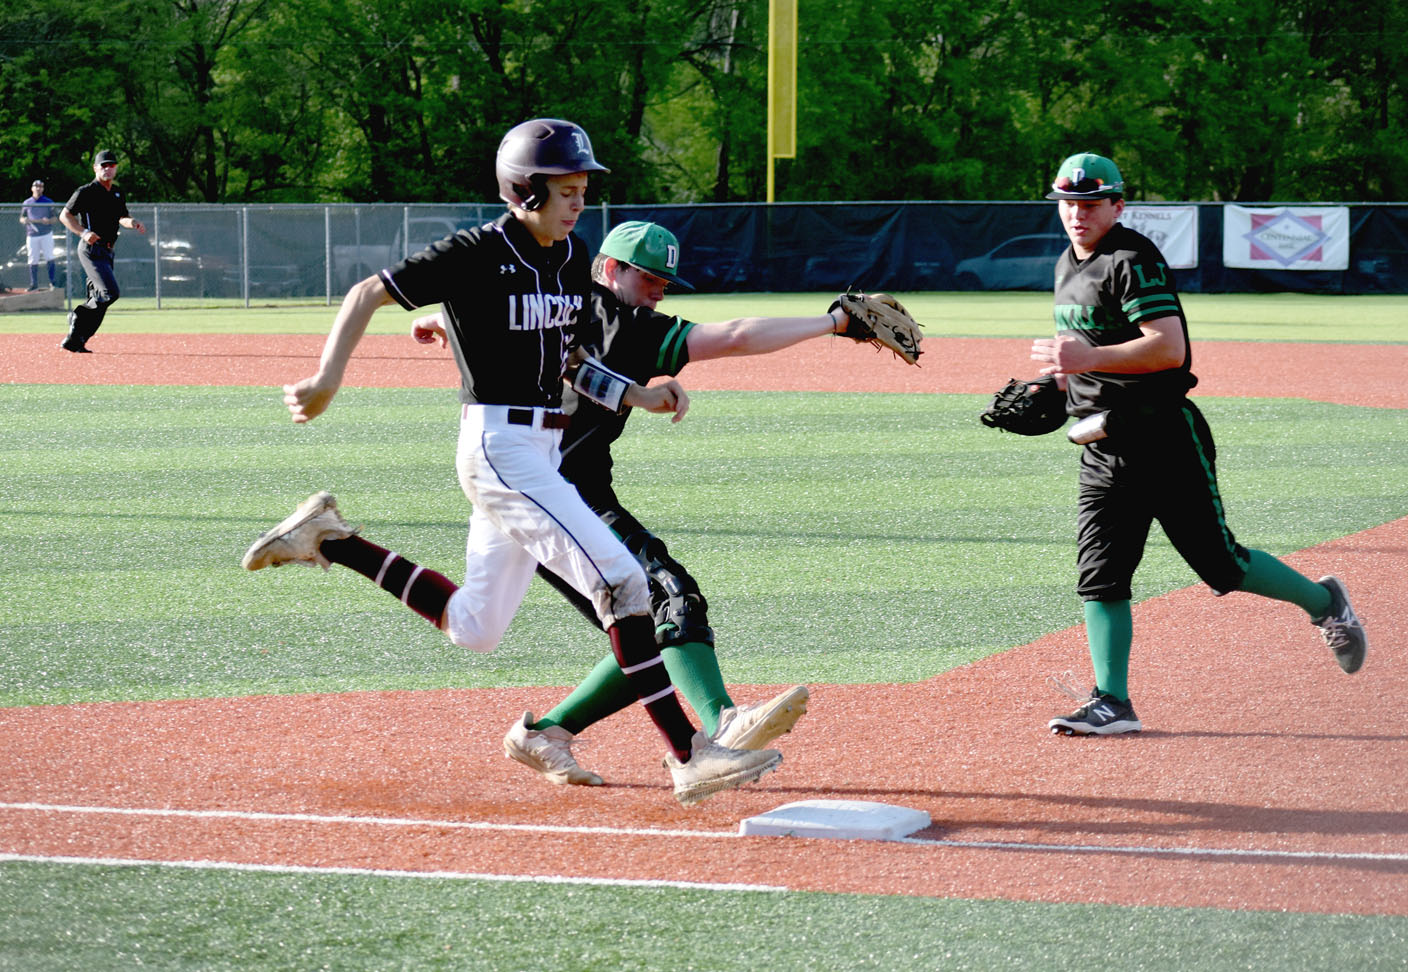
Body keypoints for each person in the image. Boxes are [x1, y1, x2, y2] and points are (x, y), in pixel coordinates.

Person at [240, 119, 782, 806]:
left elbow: (573, 360)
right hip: (498, 448)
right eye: (566, 189)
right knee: (624, 580)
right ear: (525, 191)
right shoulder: (475, 251)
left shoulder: (568, 255)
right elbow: (368, 293)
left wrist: (638, 392)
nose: (579, 202)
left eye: (583, 188)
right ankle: (691, 753)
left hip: (538, 451)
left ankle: (330, 540)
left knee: (475, 625)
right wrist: (325, 381)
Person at [413, 220, 897, 786]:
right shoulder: (629, 326)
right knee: (670, 597)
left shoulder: (559, 300)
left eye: (666, 283)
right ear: (611, 268)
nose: (659, 292)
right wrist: (834, 322)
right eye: (649, 279)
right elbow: (738, 335)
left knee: (640, 626)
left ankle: (546, 733)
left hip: (543, 491)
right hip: (554, 493)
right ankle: (723, 723)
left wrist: (441, 321)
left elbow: (499, 314)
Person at [1030, 152, 1369, 735]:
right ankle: (1112, 701)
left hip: (1163, 434)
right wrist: (1056, 384)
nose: (1077, 215)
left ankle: (1324, 602)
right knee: (1101, 573)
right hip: (1102, 445)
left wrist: (1086, 358)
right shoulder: (1068, 261)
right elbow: (1084, 348)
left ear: (1118, 205)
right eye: (1068, 204)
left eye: (1090, 203)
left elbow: (1168, 347)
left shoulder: (1133, 258)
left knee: (1221, 563)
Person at [57, 149, 146, 352]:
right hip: (90, 249)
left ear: (115, 169)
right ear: (95, 168)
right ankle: (77, 317)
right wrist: (83, 232)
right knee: (109, 293)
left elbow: (121, 217)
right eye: (103, 165)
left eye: (111, 165)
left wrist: (132, 222)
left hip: (107, 251)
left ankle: (77, 339)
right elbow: (65, 215)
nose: (107, 168)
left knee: (99, 298)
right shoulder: (86, 191)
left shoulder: (117, 193)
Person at [20, 179, 58, 291]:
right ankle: (34, 284)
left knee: (49, 257)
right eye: (36, 186)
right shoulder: (27, 203)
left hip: (46, 233)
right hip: (32, 235)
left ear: (43, 188)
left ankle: (52, 283)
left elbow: (55, 218)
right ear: (32, 188)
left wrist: (49, 220)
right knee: (32, 259)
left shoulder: (48, 201)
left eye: (40, 186)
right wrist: (25, 220)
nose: (38, 188)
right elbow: (22, 218)